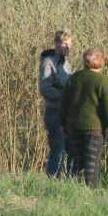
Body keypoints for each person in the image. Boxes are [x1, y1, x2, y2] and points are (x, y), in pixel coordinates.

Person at [59, 47, 108, 188]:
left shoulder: (73, 78)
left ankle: (72, 191)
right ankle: (90, 193)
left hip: (73, 128)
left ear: (84, 62)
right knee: (91, 164)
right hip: (95, 130)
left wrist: (63, 123)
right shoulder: (104, 82)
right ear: (101, 62)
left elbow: (64, 105)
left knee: (75, 162)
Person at [38, 29, 73, 177]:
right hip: (54, 111)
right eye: (64, 43)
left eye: (70, 43)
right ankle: (52, 179)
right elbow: (45, 88)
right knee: (57, 149)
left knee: (66, 149)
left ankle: (62, 180)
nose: (68, 47)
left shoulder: (65, 63)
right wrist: (65, 96)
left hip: (66, 112)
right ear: (56, 43)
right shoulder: (48, 62)